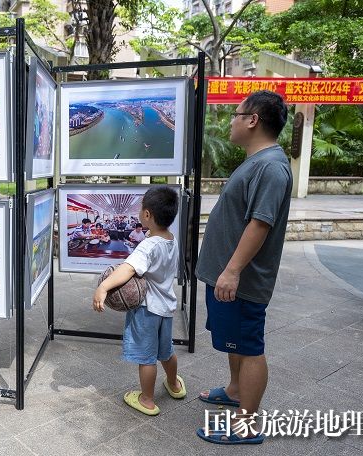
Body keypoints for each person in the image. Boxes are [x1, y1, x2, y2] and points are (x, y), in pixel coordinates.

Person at [195, 90, 292, 445]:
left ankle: (247, 423)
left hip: (242, 281)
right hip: (227, 278)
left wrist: (232, 270)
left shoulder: (270, 166)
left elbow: (260, 223)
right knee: (235, 342)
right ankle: (235, 391)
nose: (231, 121)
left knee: (249, 347)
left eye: (236, 114)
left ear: (253, 120)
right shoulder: (259, 161)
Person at [93, 186, 185, 416]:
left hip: (147, 309)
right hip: (165, 307)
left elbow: (127, 269)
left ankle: (146, 399)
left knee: (146, 358)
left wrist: (103, 287)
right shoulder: (169, 239)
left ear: (147, 215)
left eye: (140, 207)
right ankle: (174, 385)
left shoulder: (148, 245)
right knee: (167, 351)